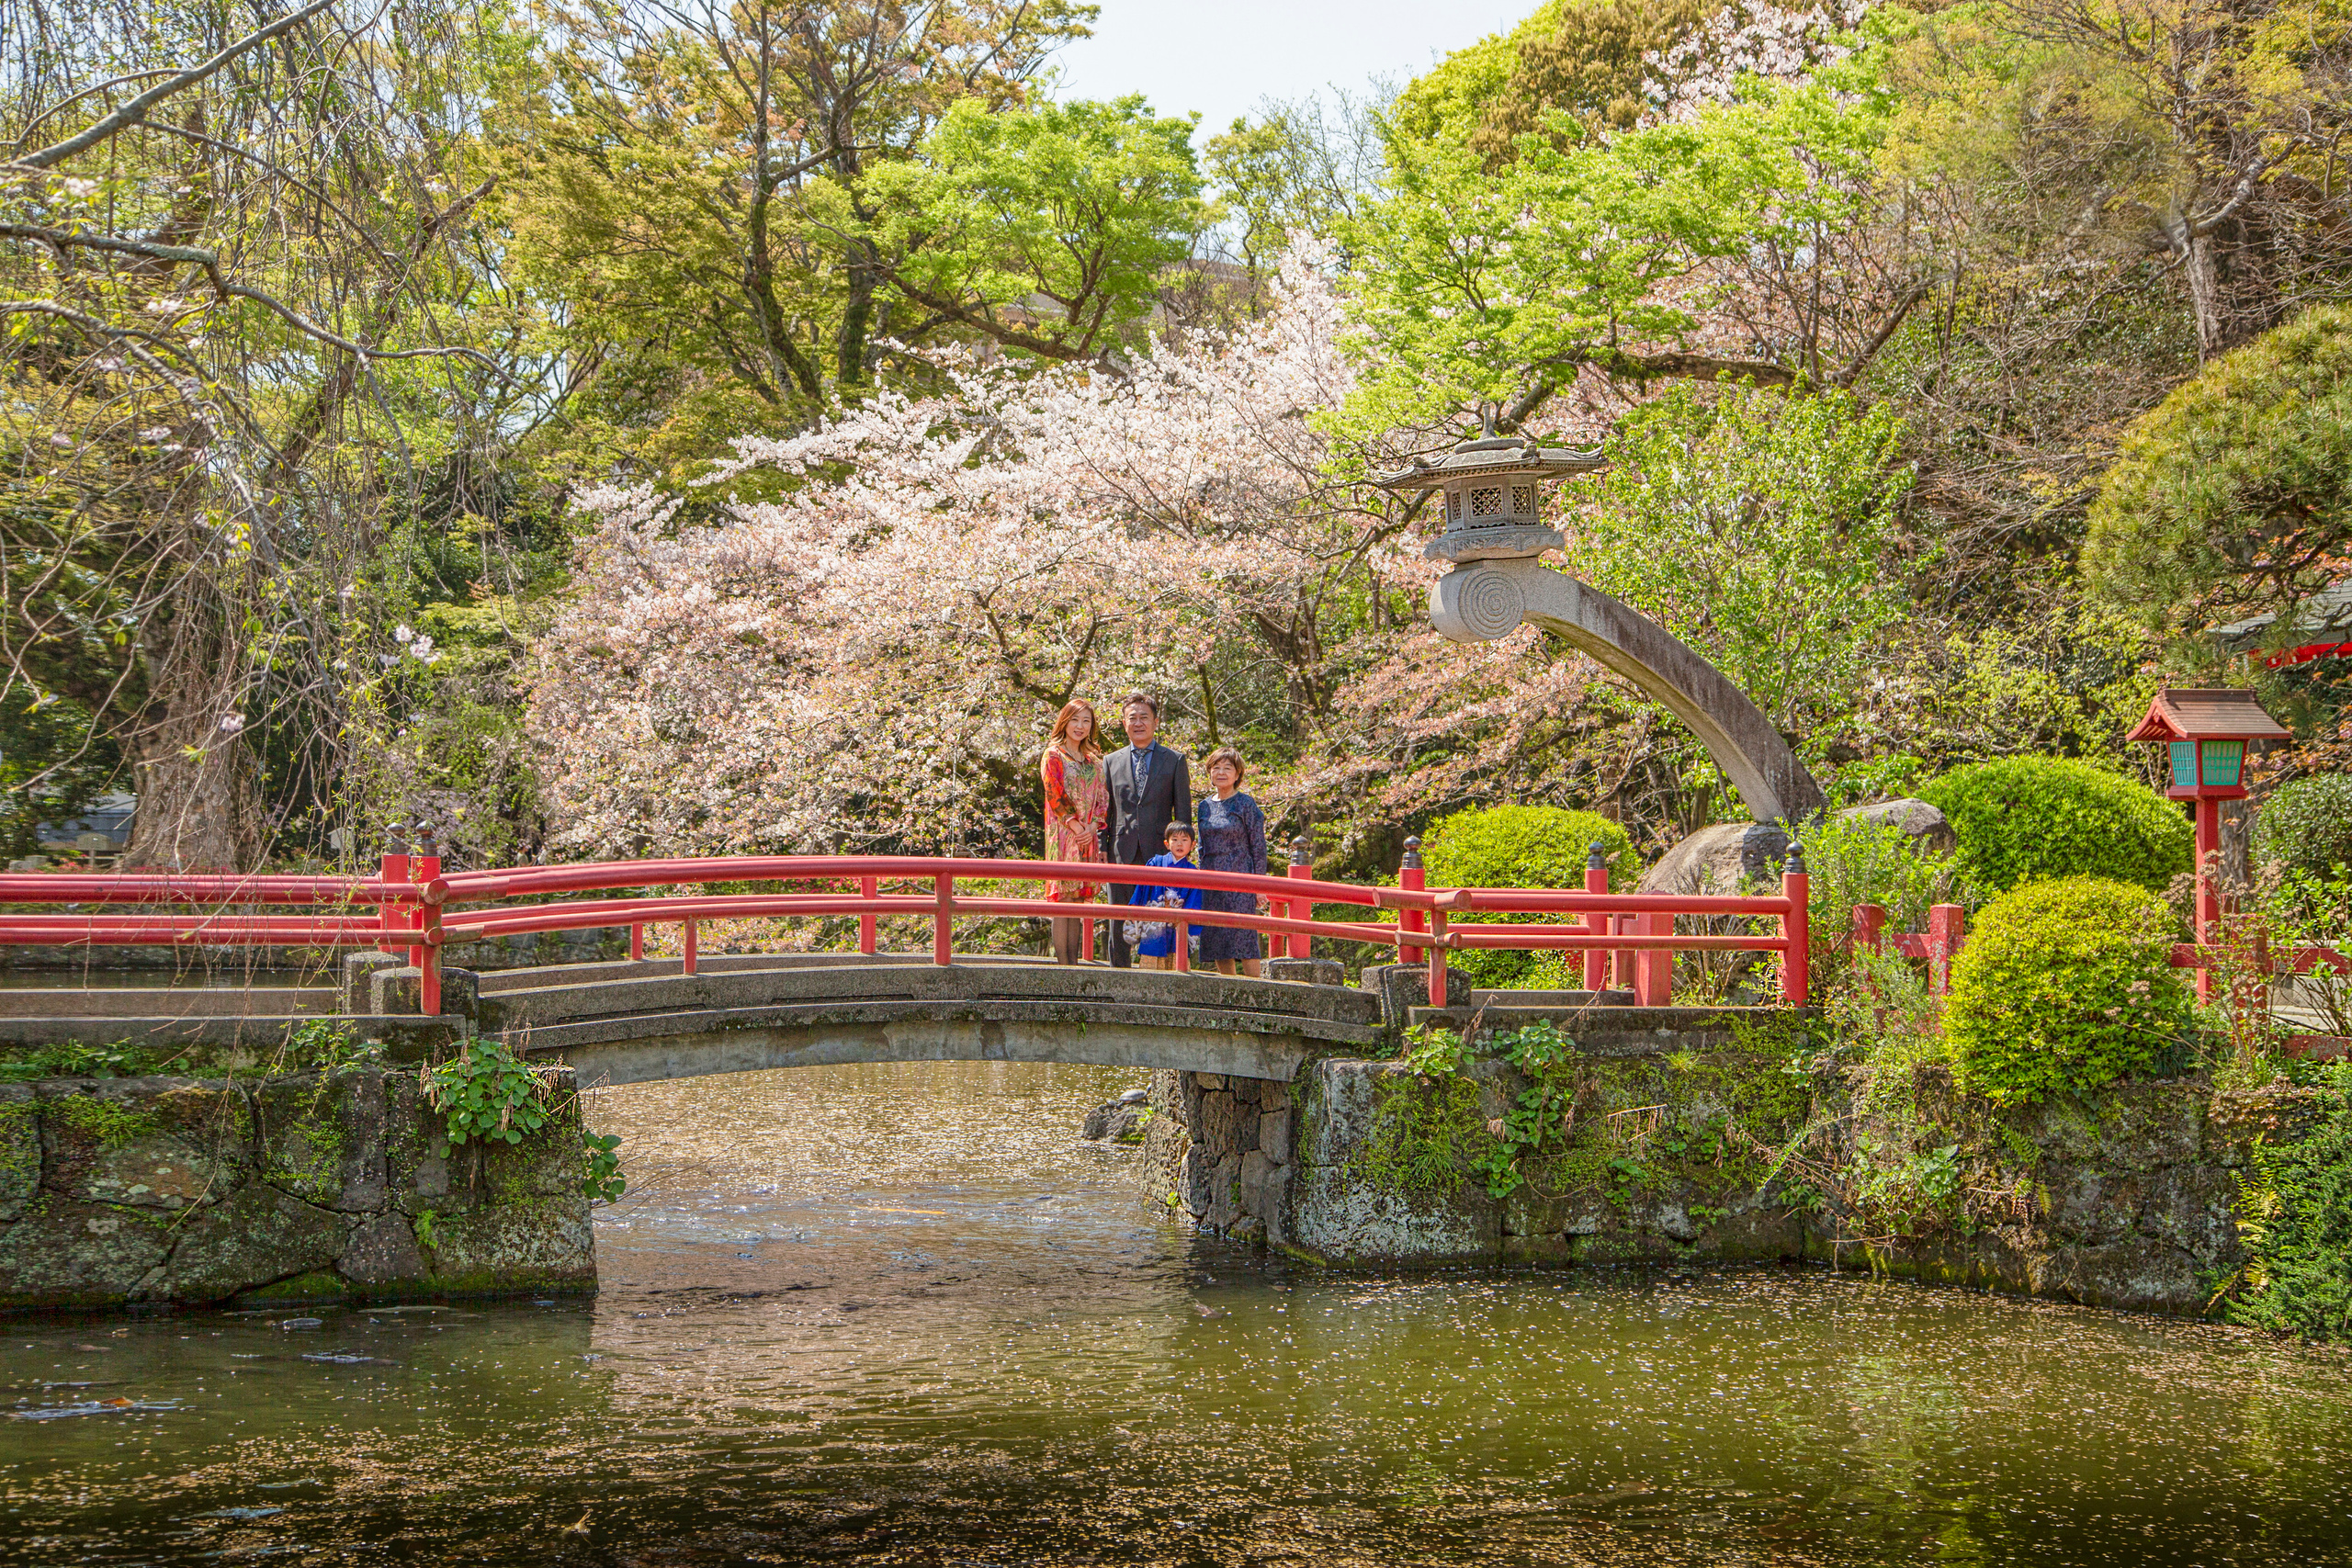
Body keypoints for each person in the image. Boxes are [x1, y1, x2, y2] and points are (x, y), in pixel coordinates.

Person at [1099, 694, 1192, 969]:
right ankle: (1118, 976)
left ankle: (1155, 976)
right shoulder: (1110, 761)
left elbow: (1183, 815)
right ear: (1123, 723)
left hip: (1161, 852)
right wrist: (1102, 847)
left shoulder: (1174, 760)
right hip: (1120, 850)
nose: (1138, 723)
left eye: (1144, 717)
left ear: (1155, 721)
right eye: (1132, 718)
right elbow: (1105, 811)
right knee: (1119, 916)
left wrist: (1180, 853)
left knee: (1158, 918)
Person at [1039, 699, 1109, 964]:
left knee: (1078, 899)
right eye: (1075, 720)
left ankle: (1075, 964)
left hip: (1087, 836)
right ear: (1064, 721)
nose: (1080, 726)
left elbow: (1103, 797)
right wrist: (1075, 824)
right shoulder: (1053, 754)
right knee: (1063, 897)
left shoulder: (1094, 760)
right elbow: (1053, 791)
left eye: (1086, 721)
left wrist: (1092, 827)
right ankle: (1063, 965)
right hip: (1063, 832)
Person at [1193, 747, 1269, 977]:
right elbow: (1201, 846)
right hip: (1211, 877)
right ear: (1209, 773)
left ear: (1238, 774)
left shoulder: (1246, 804)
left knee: (1244, 936)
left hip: (1240, 876)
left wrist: (1259, 886)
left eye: (1228, 768)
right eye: (1216, 767)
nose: (1221, 772)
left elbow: (1258, 846)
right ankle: (1229, 987)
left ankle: (1255, 990)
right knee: (1217, 935)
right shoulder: (1204, 806)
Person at [1125, 821, 1204, 971]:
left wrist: (1183, 918)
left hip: (1178, 926)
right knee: (1150, 969)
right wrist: (1135, 909)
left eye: (1185, 840)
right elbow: (1142, 890)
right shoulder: (1156, 863)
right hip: (1154, 924)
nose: (1179, 844)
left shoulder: (1193, 872)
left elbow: (1194, 903)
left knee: (1177, 966)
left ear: (1192, 845)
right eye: (1175, 839)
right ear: (1167, 844)